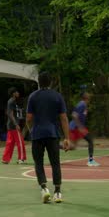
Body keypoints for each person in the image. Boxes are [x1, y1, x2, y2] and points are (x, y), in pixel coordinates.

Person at [26, 71, 70, 203]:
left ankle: (44, 188)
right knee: (55, 163)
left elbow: (28, 118)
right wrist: (66, 138)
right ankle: (57, 192)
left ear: (39, 82)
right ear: (51, 82)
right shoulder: (57, 96)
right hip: (53, 134)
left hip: (37, 134)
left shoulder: (33, 96)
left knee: (38, 163)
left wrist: (31, 130)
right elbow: (63, 118)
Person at [69, 92, 100, 167]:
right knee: (90, 140)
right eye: (87, 94)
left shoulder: (84, 105)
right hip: (76, 127)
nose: (89, 95)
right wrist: (80, 127)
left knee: (72, 147)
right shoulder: (81, 104)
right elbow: (74, 115)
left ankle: (56, 146)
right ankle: (90, 161)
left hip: (76, 127)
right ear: (85, 97)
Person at [2, 87, 27, 164]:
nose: (18, 93)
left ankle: (5, 159)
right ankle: (21, 159)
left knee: (10, 143)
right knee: (20, 142)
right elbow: (10, 114)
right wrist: (16, 124)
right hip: (13, 125)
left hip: (10, 125)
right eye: (17, 92)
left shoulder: (13, 101)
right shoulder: (11, 101)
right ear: (13, 93)